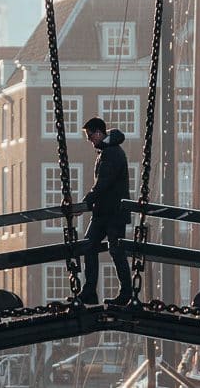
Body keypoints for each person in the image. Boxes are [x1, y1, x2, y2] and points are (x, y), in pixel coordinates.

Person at [76, 116, 133, 306]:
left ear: (99, 133)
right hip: (103, 213)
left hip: (113, 213)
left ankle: (125, 293)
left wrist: (86, 202)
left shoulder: (112, 153)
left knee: (115, 251)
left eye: (90, 136)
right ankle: (90, 291)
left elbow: (103, 183)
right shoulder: (106, 152)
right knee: (89, 245)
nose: (89, 140)